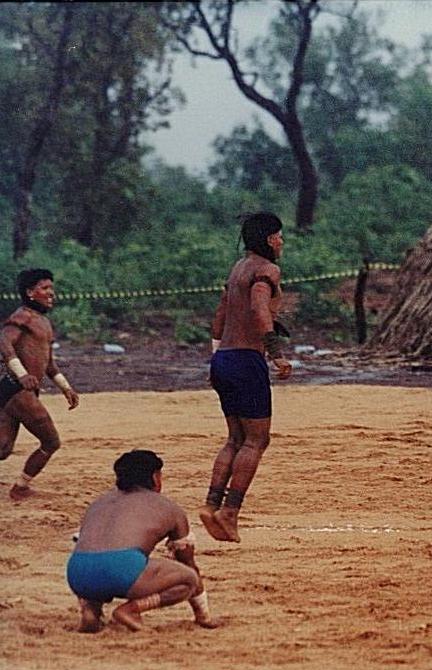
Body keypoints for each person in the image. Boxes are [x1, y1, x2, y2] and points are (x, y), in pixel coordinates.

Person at [200, 212, 293, 543]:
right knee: (257, 440)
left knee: (235, 438)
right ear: (270, 239)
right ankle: (229, 513)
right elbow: (258, 309)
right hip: (246, 360)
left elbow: (221, 315)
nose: (282, 242)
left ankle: (212, 505)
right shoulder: (266, 270)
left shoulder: (238, 268)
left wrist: (216, 358)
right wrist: (276, 352)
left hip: (224, 358)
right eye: (280, 236)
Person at [68, 449, 217, 632]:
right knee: (187, 578)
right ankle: (130, 610)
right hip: (120, 569)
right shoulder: (168, 507)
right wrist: (203, 614)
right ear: (155, 478)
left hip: (77, 573)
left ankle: (91, 612)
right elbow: (187, 562)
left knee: (99, 563)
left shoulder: (99, 502)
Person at [1, 268, 80, 501]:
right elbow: (3, 341)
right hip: (17, 389)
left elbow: (48, 364)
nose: (51, 293)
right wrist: (21, 373)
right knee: (51, 441)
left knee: (3, 450)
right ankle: (21, 488)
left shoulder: (43, 322)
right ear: (30, 292)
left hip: (17, 390)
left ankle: (21, 487)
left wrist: (65, 387)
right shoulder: (23, 316)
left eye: (51, 288)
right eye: (45, 288)